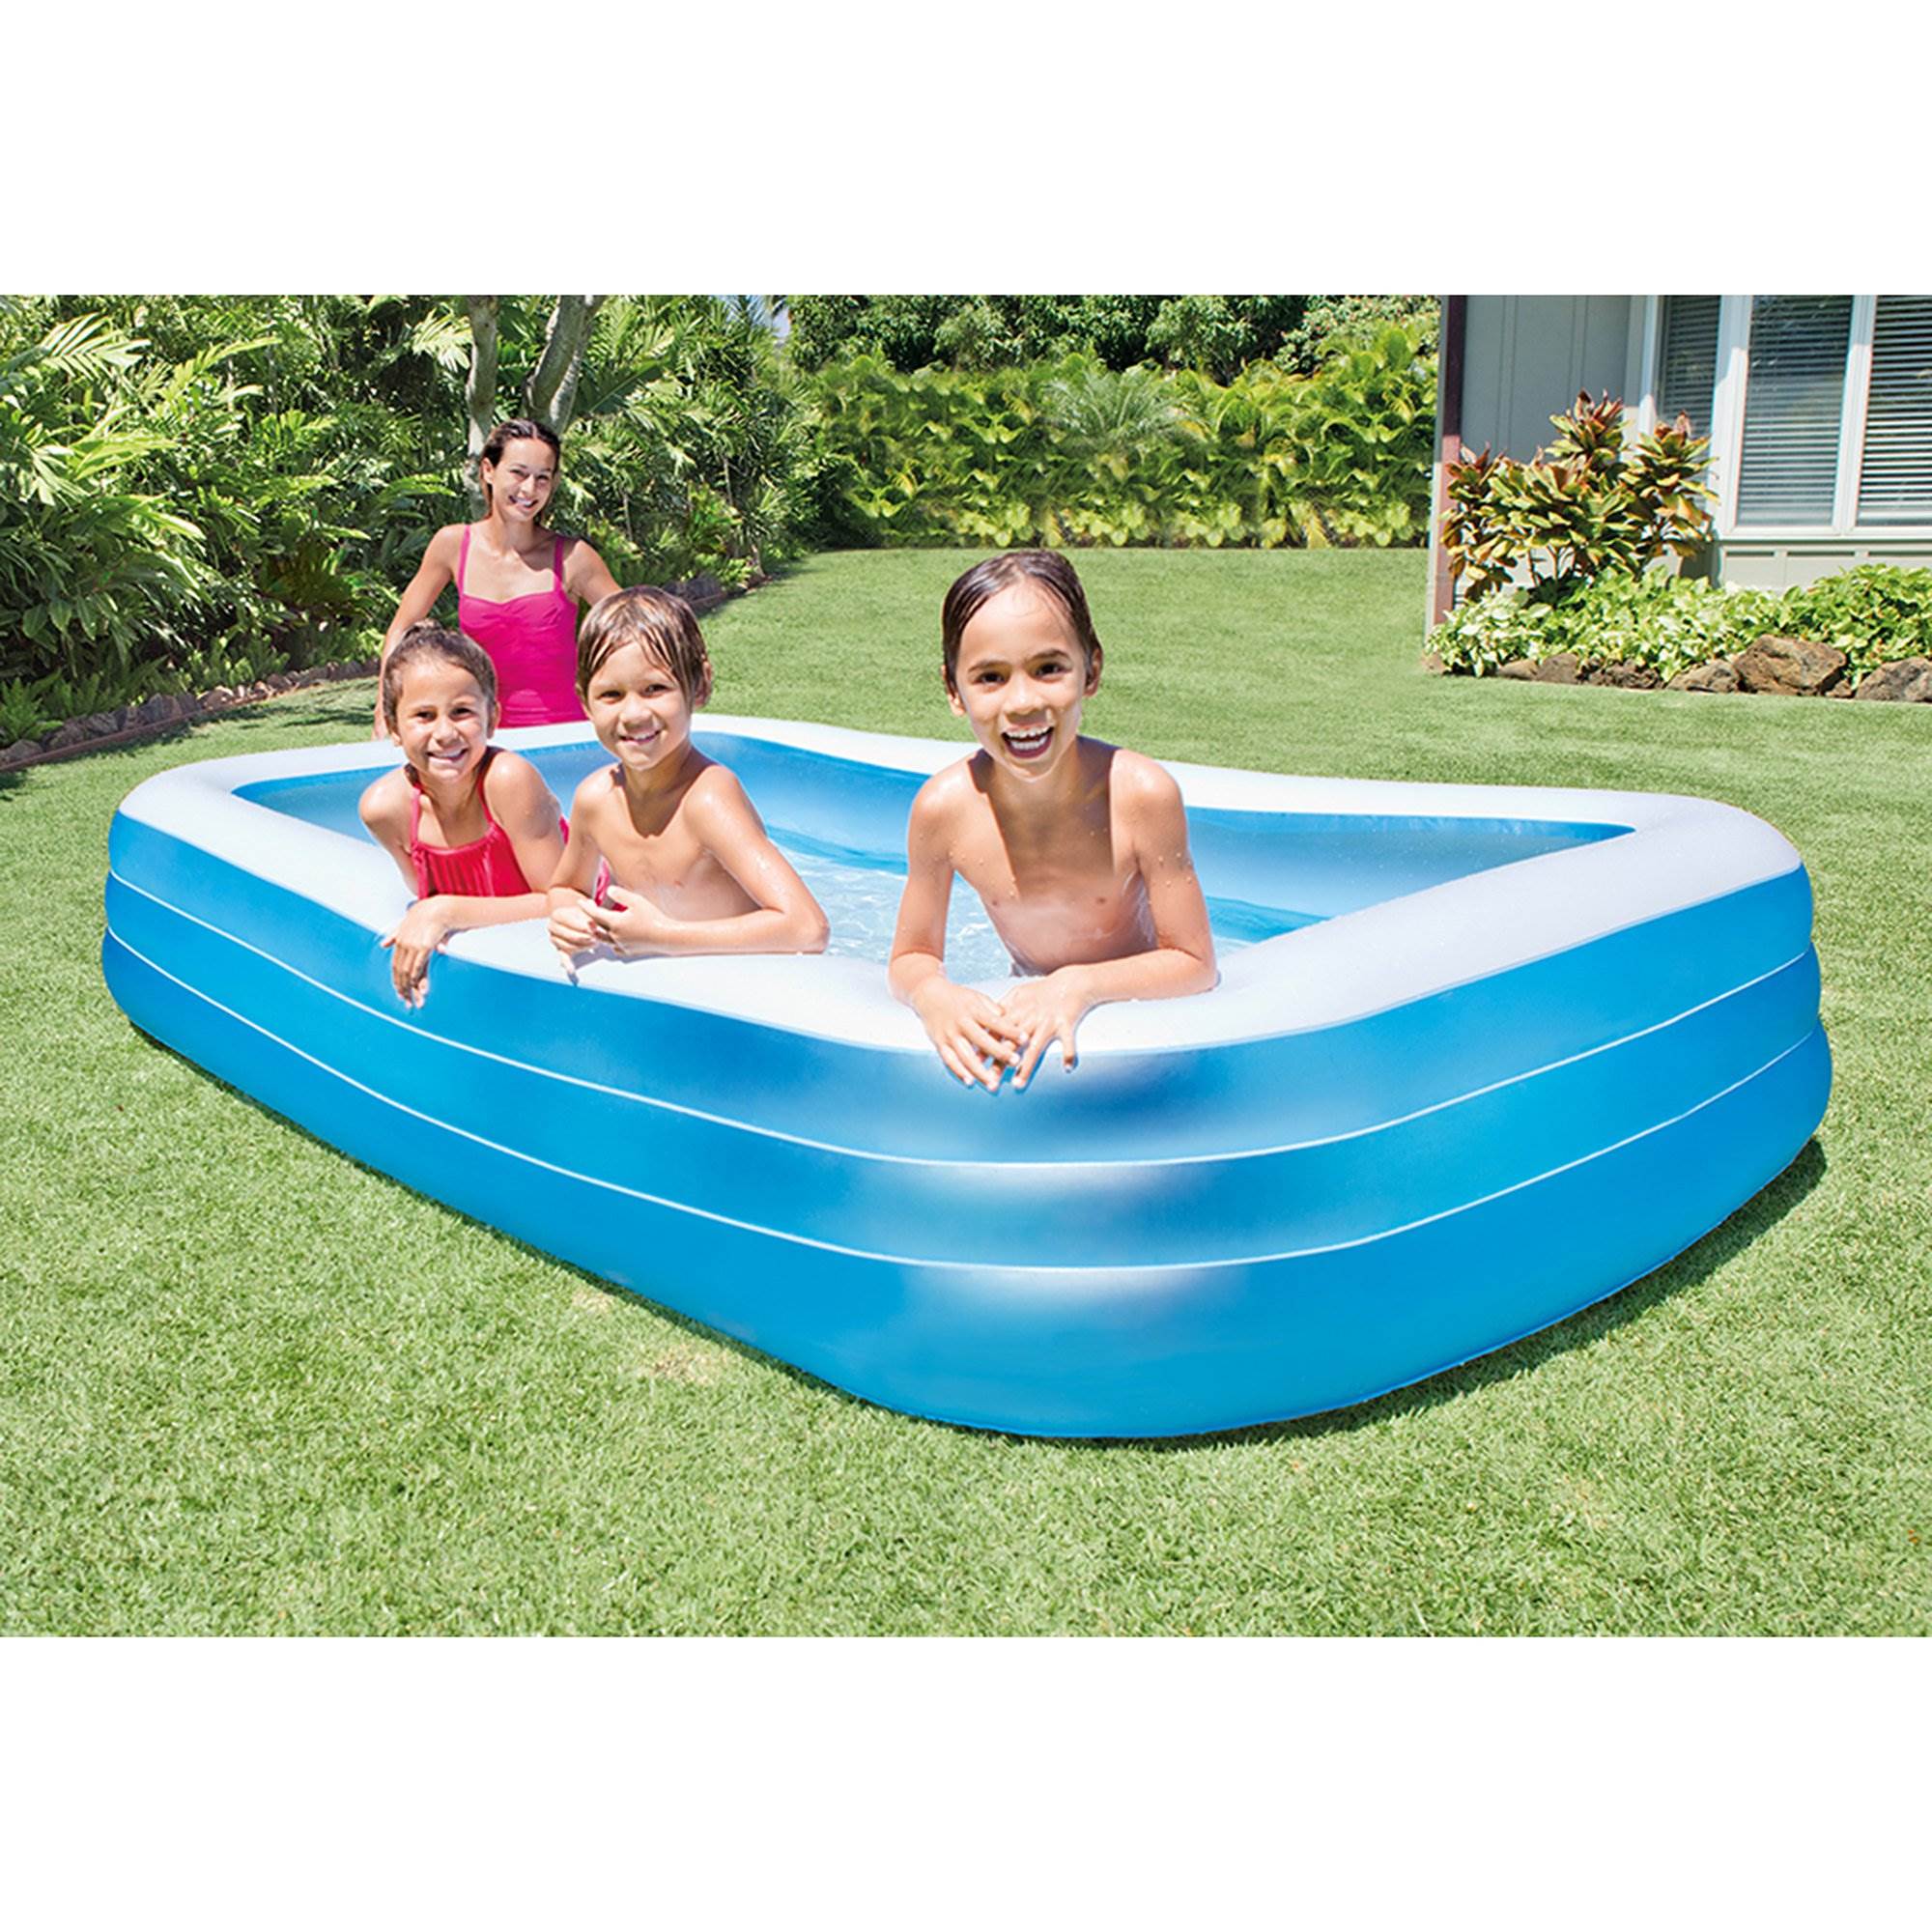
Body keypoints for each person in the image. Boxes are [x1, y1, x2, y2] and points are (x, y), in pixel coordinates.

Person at [889, 551, 1217, 1091]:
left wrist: (1078, 985)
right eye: (990, 677)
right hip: (1030, 996)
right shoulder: (943, 810)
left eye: (1048, 669)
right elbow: (912, 954)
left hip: (1142, 1018)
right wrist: (933, 995)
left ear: (1092, 670)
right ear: (953, 690)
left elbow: (1194, 961)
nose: (1022, 702)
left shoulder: (1141, 797)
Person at [547, 588, 830, 965]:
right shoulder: (595, 799)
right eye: (611, 695)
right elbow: (566, 887)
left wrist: (663, 937)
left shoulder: (706, 799)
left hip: (737, 982)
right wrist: (569, 915)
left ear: (699, 685)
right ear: (585, 703)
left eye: (655, 689)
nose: (633, 714)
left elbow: (807, 927)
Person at [358, 624, 566, 1007]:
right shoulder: (385, 809)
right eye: (424, 715)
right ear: (394, 727)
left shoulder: (508, 781)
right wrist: (436, 911)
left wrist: (445, 910)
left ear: (493, 717)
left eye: (462, 712)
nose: (445, 733)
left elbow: (565, 902)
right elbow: (422, 892)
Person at [375, 418, 622, 733]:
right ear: (488, 470)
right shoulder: (452, 544)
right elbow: (401, 628)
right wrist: (384, 712)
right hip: (479, 738)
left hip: (564, 733)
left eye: (542, 478)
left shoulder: (574, 558)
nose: (529, 489)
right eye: (518, 473)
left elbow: (634, 628)